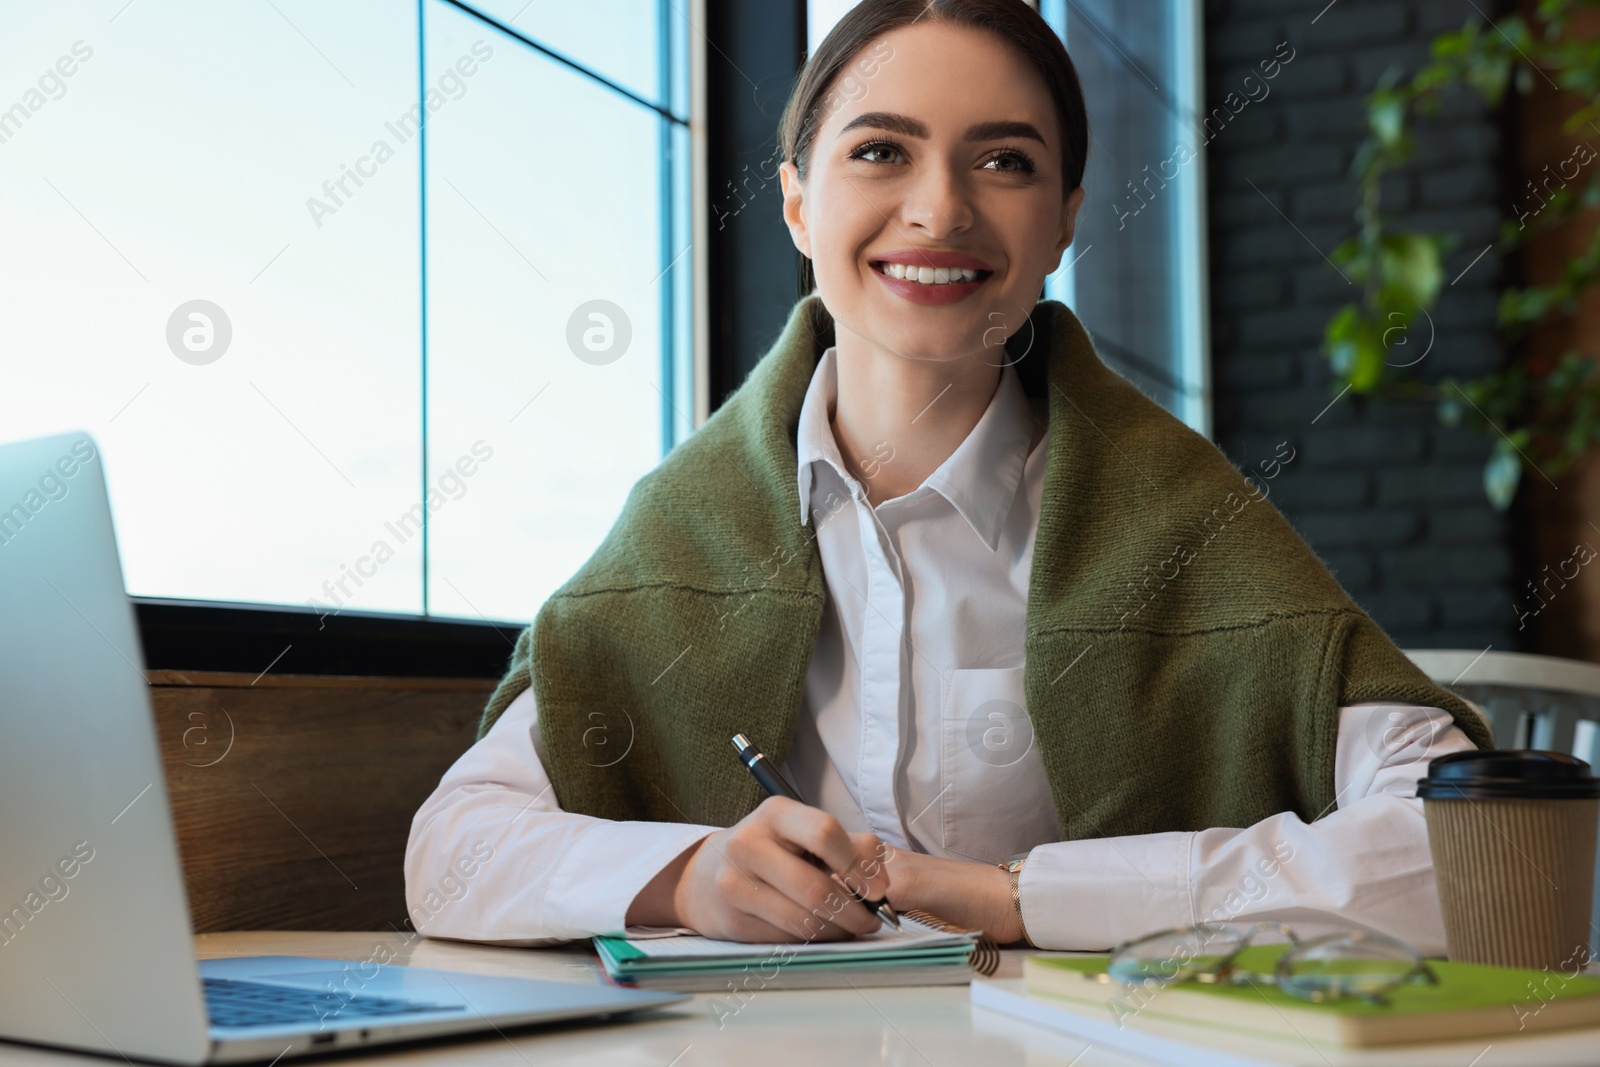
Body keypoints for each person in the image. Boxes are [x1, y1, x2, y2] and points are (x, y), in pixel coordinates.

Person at [404, 0, 1492, 954]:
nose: (939, 210)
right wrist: (686, 874)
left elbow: (1474, 843)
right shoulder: (680, 535)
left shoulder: (1182, 521)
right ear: (793, 202)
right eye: (879, 150)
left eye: (1005, 160)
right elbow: (452, 853)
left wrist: (1031, 897)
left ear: (1065, 219)